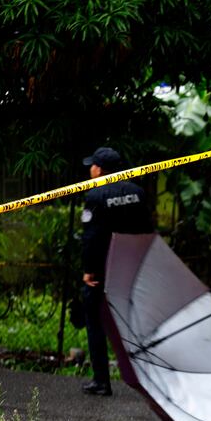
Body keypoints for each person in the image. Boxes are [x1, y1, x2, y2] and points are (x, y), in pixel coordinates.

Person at [79, 146, 152, 396]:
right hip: (131, 269)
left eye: (92, 166)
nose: (90, 170)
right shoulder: (138, 192)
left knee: (96, 323)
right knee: (134, 324)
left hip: (102, 271)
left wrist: (89, 271)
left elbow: (92, 236)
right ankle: (147, 379)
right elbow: (147, 230)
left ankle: (101, 381)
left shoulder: (95, 195)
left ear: (98, 169)